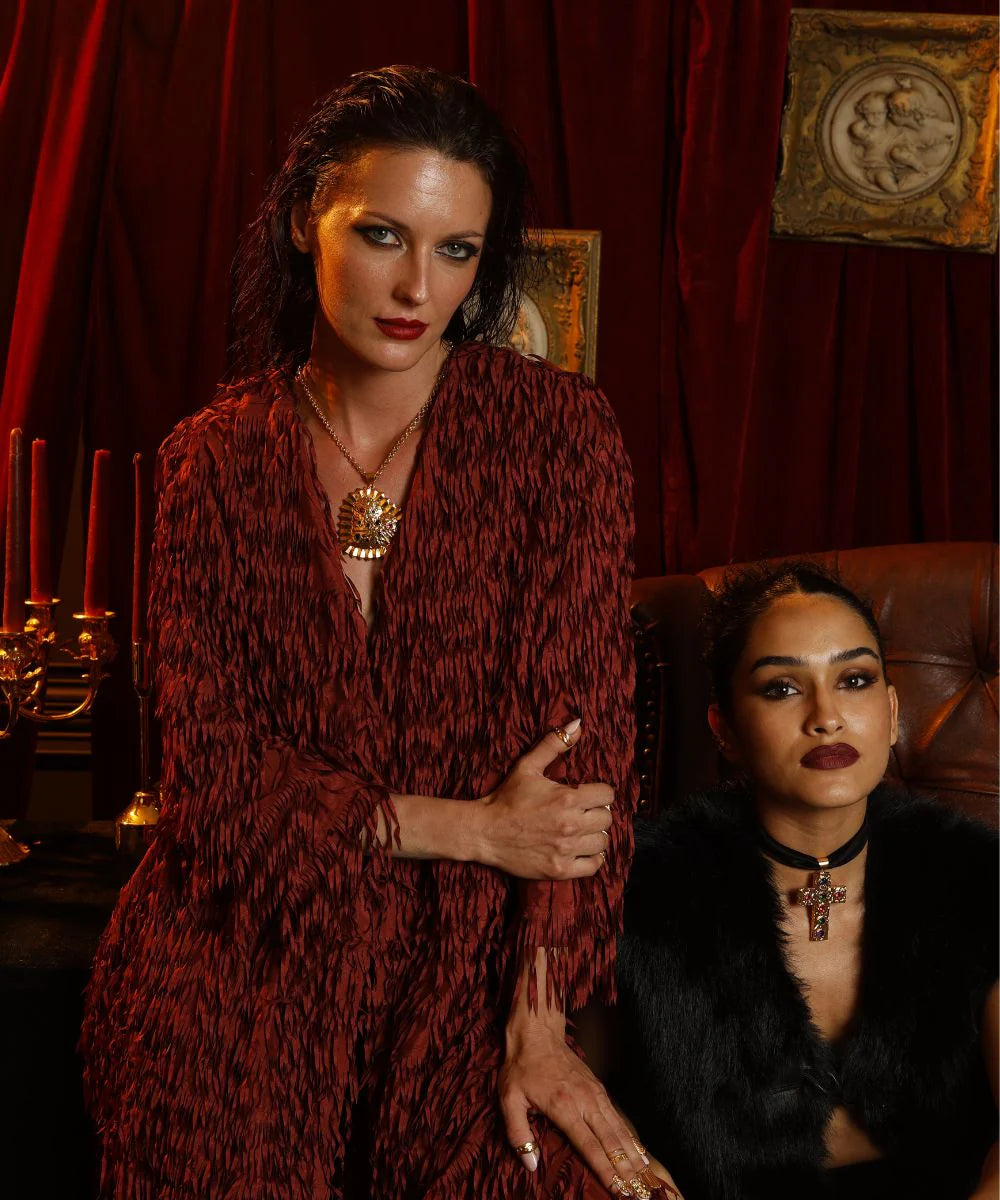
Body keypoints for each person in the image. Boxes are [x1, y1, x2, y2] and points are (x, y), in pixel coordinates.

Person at [81, 66, 657, 1199]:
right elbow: (212, 782)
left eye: (456, 250)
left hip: (471, 967)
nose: (416, 287)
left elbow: (581, 776)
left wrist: (539, 1023)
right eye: (383, 234)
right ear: (310, 220)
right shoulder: (213, 460)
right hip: (244, 953)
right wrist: (472, 827)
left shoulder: (558, 436)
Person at [612, 562, 998, 1200]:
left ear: (891, 709)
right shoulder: (643, 895)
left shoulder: (977, 876)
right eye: (782, 688)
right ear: (725, 730)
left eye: (854, 680)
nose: (826, 717)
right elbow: (584, 1112)